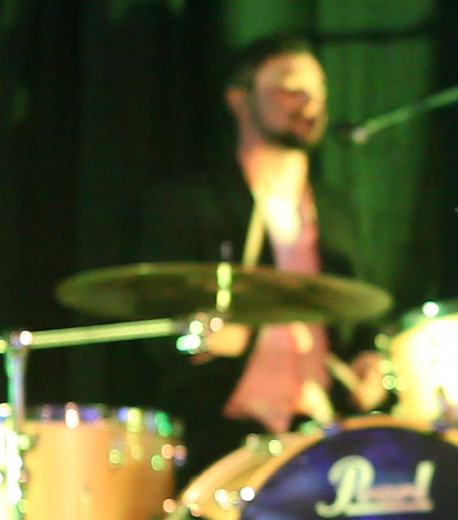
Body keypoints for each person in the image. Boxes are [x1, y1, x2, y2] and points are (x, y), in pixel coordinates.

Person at [130, 34, 386, 480]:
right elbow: (153, 324)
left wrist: (370, 361)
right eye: (289, 88)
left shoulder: (336, 210)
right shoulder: (188, 202)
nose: (308, 102)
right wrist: (203, 339)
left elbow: (361, 316)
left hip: (321, 437)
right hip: (222, 441)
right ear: (239, 100)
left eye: (318, 90)